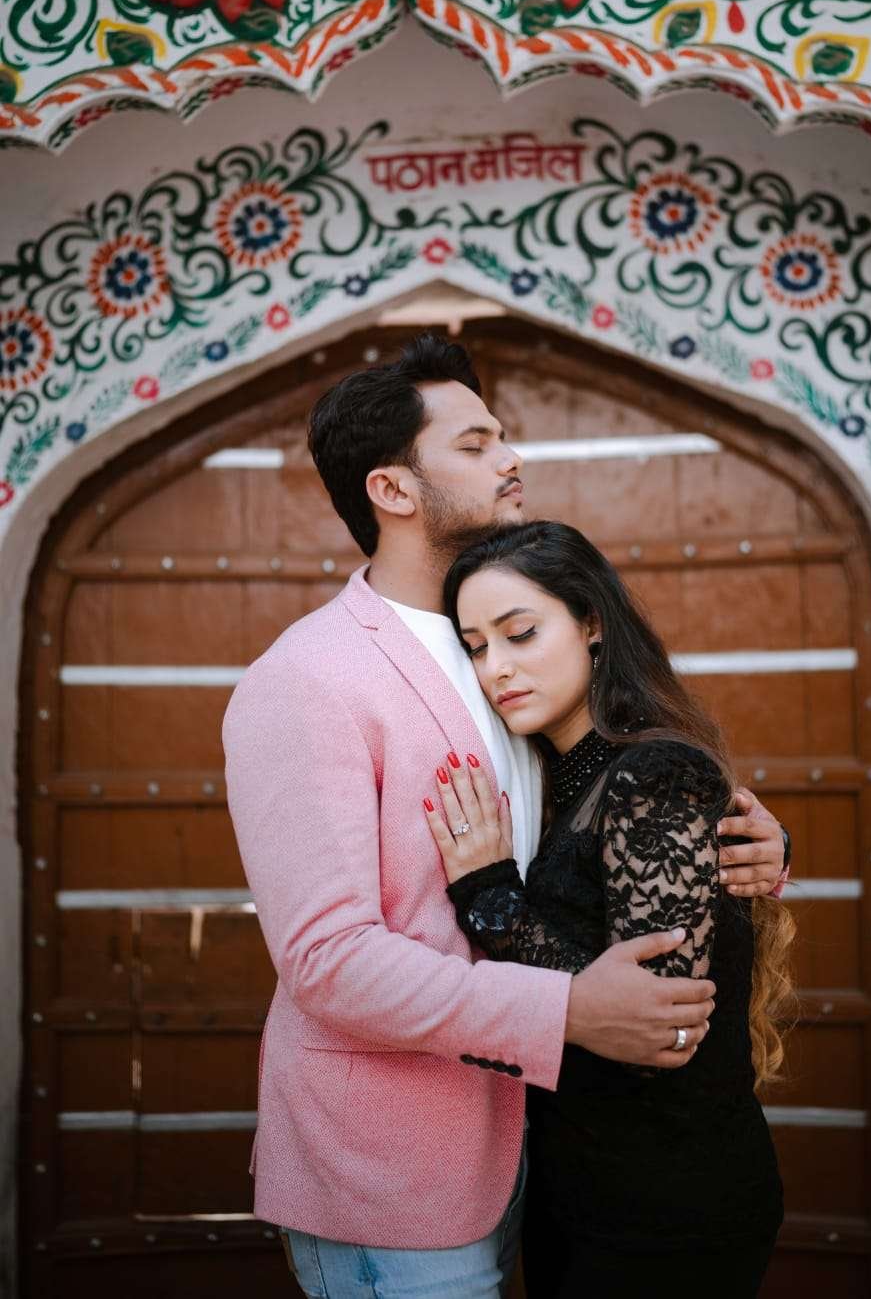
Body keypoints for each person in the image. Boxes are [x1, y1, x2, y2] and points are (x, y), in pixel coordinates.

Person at [222, 334, 789, 1299]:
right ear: (393, 490)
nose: (511, 457)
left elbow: (604, 828)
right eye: (476, 443)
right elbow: (327, 959)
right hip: (394, 1169)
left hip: (549, 1156)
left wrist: (747, 851)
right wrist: (567, 1010)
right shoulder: (306, 679)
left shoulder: (509, 653)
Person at [424, 519, 795, 1297]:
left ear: (592, 623)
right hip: (579, 1193)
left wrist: (490, 896)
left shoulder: (653, 773)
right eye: (476, 647)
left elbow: (660, 1024)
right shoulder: (557, 784)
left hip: (669, 1208)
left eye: (521, 633)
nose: (497, 667)